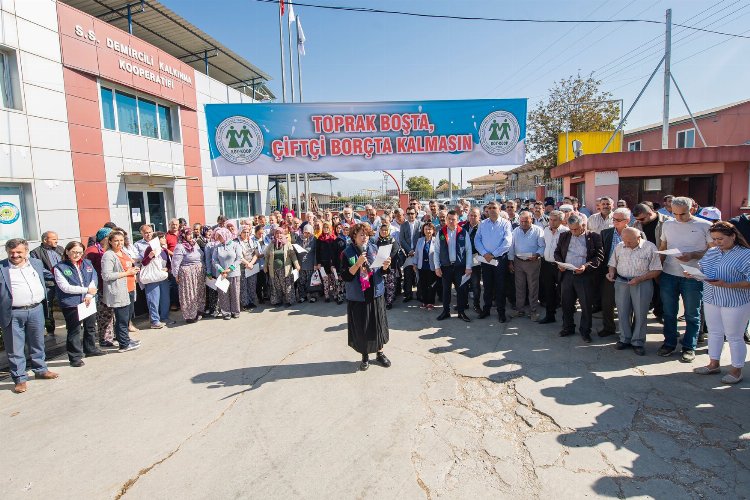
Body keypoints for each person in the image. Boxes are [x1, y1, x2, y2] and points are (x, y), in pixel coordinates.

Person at [691, 222, 750, 384]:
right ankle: (713, 363)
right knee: (715, 332)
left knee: (734, 336)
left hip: (735, 301)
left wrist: (728, 285)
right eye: (715, 239)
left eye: (721, 238)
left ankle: (736, 370)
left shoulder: (746, 254)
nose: (717, 242)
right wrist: (693, 274)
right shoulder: (711, 252)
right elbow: (703, 270)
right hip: (712, 297)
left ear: (733, 236)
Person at [1, 238, 59, 393]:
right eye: (11, 252)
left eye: (19, 252)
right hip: (13, 313)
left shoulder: (36, 263)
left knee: (37, 342)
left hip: (36, 310)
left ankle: (40, 370)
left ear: (26, 251)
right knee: (15, 347)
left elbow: (50, 276)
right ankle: (20, 379)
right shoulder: (1, 268)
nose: (15, 255)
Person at [658, 197, 712, 362]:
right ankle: (669, 343)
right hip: (669, 274)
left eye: (683, 214)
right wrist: (658, 269)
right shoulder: (667, 224)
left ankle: (689, 346)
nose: (679, 218)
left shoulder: (705, 226)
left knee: (692, 314)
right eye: (675, 214)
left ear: (693, 209)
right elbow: (663, 247)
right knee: (669, 313)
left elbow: (712, 252)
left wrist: (693, 255)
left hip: (693, 275)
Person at [342, 222, 392, 371]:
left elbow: (381, 273)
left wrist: (385, 267)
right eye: (361, 235)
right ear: (354, 237)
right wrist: (357, 265)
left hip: (375, 293)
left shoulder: (375, 249)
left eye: (366, 235)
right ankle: (365, 356)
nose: (364, 238)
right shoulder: (347, 252)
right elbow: (345, 276)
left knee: (378, 325)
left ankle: (380, 353)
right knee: (362, 327)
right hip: (358, 296)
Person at [606, 227, 662, 355]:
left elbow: (657, 270)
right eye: (624, 241)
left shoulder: (650, 247)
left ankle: (638, 341)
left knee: (641, 313)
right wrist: (611, 273)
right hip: (621, 282)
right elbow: (612, 264)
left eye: (629, 242)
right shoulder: (620, 246)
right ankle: (624, 338)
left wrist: (640, 278)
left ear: (638, 238)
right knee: (622, 311)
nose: (626, 244)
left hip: (642, 282)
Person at [53, 241, 106, 366]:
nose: (77, 255)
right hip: (72, 303)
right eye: (74, 252)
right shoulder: (59, 267)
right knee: (74, 330)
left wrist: (89, 295)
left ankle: (90, 349)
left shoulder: (87, 263)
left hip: (88, 301)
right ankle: (75, 357)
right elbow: (65, 287)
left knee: (90, 327)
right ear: (67, 251)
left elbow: (93, 279)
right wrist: (86, 290)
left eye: (80, 252)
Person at [554, 214, 604, 343]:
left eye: (576, 229)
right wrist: (560, 264)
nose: (573, 232)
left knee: (586, 305)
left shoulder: (594, 237)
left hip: (584, 276)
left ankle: (585, 331)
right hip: (567, 274)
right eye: (571, 229)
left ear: (583, 225)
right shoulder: (564, 235)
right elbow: (557, 252)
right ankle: (568, 327)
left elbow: (599, 257)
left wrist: (585, 267)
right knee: (566, 303)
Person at [100, 231, 140, 353]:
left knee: (127, 317)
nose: (119, 243)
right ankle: (123, 344)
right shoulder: (109, 255)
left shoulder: (123, 252)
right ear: (110, 241)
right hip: (119, 291)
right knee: (121, 318)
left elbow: (127, 266)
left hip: (130, 288)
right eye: (116, 240)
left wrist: (133, 270)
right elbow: (106, 275)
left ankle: (126, 339)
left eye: (121, 240)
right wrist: (127, 273)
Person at [598, 208, 636, 338]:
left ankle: (627, 331)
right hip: (609, 273)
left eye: (618, 220)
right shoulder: (605, 233)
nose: (615, 222)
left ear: (627, 220)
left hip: (629, 273)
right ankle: (608, 327)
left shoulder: (636, 233)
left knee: (627, 305)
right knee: (607, 302)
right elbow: (601, 253)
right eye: (613, 219)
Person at [474, 200, 513, 323]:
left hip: (499, 260)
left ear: (499, 209)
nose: (491, 210)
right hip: (486, 260)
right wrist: (485, 253)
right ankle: (486, 309)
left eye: (494, 207)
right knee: (487, 285)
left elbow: (507, 242)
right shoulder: (483, 224)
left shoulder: (505, 223)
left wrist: (494, 254)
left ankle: (501, 312)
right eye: (489, 208)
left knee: (500, 286)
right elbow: (477, 240)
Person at [632, 203, 671, 322]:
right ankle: (657, 310)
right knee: (652, 289)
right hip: (646, 262)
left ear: (650, 213)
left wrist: (660, 260)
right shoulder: (637, 224)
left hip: (665, 261)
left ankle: (663, 314)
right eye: (637, 219)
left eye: (642, 219)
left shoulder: (668, 222)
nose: (640, 222)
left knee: (664, 290)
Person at [434, 210, 472, 322]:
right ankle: (446, 312)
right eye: (449, 219)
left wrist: (468, 266)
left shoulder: (463, 232)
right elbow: (436, 251)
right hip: (446, 267)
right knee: (446, 291)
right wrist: (437, 266)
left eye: (453, 219)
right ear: (446, 219)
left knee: (461, 290)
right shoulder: (440, 233)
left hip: (460, 267)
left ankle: (461, 312)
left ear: (458, 220)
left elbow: (468, 250)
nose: (451, 221)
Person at [508, 211, 545, 321]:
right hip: (518, 262)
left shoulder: (538, 230)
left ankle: (533, 310)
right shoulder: (515, 231)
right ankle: (519, 309)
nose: (523, 224)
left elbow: (542, 246)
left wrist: (537, 254)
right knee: (519, 286)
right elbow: (511, 247)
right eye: (522, 221)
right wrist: (510, 262)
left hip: (533, 262)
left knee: (533, 287)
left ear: (531, 220)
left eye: (526, 221)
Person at [30, 231, 64, 335]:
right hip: (48, 284)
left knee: (67, 304)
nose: (56, 241)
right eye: (54, 239)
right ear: (45, 240)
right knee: (48, 308)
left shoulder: (60, 249)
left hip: (63, 283)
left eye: (56, 239)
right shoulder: (35, 252)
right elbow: (39, 269)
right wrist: (55, 276)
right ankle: (50, 330)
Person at [86, 228, 115, 347]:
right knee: (104, 314)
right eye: (110, 237)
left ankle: (113, 336)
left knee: (112, 314)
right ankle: (104, 338)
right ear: (104, 238)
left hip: (111, 285)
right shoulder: (92, 251)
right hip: (99, 286)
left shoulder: (110, 250)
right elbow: (87, 270)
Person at [539, 210, 568, 324]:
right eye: (550, 219)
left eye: (555, 220)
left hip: (560, 266)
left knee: (563, 292)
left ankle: (566, 320)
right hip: (547, 264)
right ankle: (550, 315)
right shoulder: (546, 230)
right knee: (548, 291)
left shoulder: (565, 232)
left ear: (561, 221)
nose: (551, 222)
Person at [172, 228, 205, 323]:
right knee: (189, 294)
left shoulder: (195, 243)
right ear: (183, 236)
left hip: (198, 271)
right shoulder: (180, 246)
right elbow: (175, 263)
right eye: (188, 234)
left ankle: (199, 311)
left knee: (199, 293)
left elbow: (201, 256)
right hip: (187, 273)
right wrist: (176, 275)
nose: (191, 236)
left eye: (191, 234)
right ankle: (190, 315)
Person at [141, 231, 172, 329]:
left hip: (163, 277)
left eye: (164, 237)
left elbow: (169, 264)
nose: (164, 239)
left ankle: (164, 317)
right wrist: (150, 256)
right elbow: (144, 263)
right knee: (153, 299)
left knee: (165, 298)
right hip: (152, 278)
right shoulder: (150, 248)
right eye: (162, 238)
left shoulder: (164, 250)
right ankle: (155, 320)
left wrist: (167, 269)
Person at [211, 227, 243, 319]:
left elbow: (239, 258)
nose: (219, 238)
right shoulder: (218, 247)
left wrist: (229, 270)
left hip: (234, 273)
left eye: (220, 236)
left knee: (235, 293)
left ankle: (235, 311)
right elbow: (214, 260)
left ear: (226, 235)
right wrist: (222, 270)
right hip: (221, 275)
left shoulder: (235, 245)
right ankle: (226, 313)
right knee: (223, 294)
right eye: (218, 236)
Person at [264, 227, 299, 307]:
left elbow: (293, 255)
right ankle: (277, 301)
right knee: (276, 286)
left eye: (280, 233)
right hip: (274, 269)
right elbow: (267, 256)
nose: (278, 235)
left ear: (283, 234)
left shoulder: (287, 243)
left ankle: (289, 301)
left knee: (287, 286)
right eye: (277, 233)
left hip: (285, 269)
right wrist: (265, 266)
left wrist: (296, 264)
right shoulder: (271, 244)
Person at [375, 220, 401, 309]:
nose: (384, 232)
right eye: (382, 230)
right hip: (380, 266)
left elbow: (395, 250)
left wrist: (388, 258)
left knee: (390, 284)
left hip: (391, 265)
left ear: (389, 231)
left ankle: (389, 302)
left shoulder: (392, 240)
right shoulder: (377, 241)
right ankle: (382, 301)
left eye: (386, 230)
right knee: (381, 284)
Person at [399, 205, 423, 303]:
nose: (410, 216)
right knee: (408, 274)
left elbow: (422, 238)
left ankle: (419, 295)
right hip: (408, 254)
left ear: (416, 214)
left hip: (419, 253)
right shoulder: (403, 225)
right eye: (408, 214)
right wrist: (409, 250)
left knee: (419, 275)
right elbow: (402, 240)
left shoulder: (421, 224)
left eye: (412, 213)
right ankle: (408, 294)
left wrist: (416, 251)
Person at [315, 221, 341, 304]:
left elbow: (336, 252)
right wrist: (318, 263)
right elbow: (317, 252)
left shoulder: (334, 238)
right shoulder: (319, 239)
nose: (325, 229)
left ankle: (335, 294)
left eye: (327, 227)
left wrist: (335, 263)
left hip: (332, 263)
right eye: (324, 227)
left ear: (330, 228)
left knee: (334, 280)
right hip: (323, 263)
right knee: (326, 280)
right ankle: (326, 296)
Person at [414, 222, 439, 309]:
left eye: (430, 229)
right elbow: (416, 253)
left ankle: (431, 302)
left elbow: (438, 254)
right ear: (423, 231)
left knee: (431, 285)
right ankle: (424, 302)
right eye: (426, 229)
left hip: (432, 267)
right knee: (423, 285)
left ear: (433, 231)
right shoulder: (420, 240)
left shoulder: (436, 240)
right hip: (422, 266)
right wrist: (415, 263)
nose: (428, 231)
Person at [237, 225, 260, 309]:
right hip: (242, 267)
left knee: (252, 284)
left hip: (252, 266)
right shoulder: (237, 242)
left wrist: (251, 263)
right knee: (243, 286)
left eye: (247, 232)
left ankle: (251, 301)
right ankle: (245, 303)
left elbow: (256, 253)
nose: (246, 234)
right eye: (244, 232)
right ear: (240, 233)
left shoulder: (252, 241)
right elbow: (239, 256)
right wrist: (247, 263)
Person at [465, 207, 483, 313]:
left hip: (476, 257)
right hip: (464, 258)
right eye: (471, 215)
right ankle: (464, 303)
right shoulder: (462, 228)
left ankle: (476, 304)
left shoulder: (482, 228)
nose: (472, 217)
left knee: (475, 283)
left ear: (479, 217)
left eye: (475, 215)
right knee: (463, 282)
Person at [295, 224, 317, 303]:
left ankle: (313, 296)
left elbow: (315, 252)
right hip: (301, 263)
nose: (306, 234)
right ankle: (302, 296)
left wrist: (315, 263)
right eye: (305, 232)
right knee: (301, 281)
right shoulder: (299, 238)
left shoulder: (314, 239)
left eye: (308, 233)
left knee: (311, 281)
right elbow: (295, 249)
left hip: (310, 263)